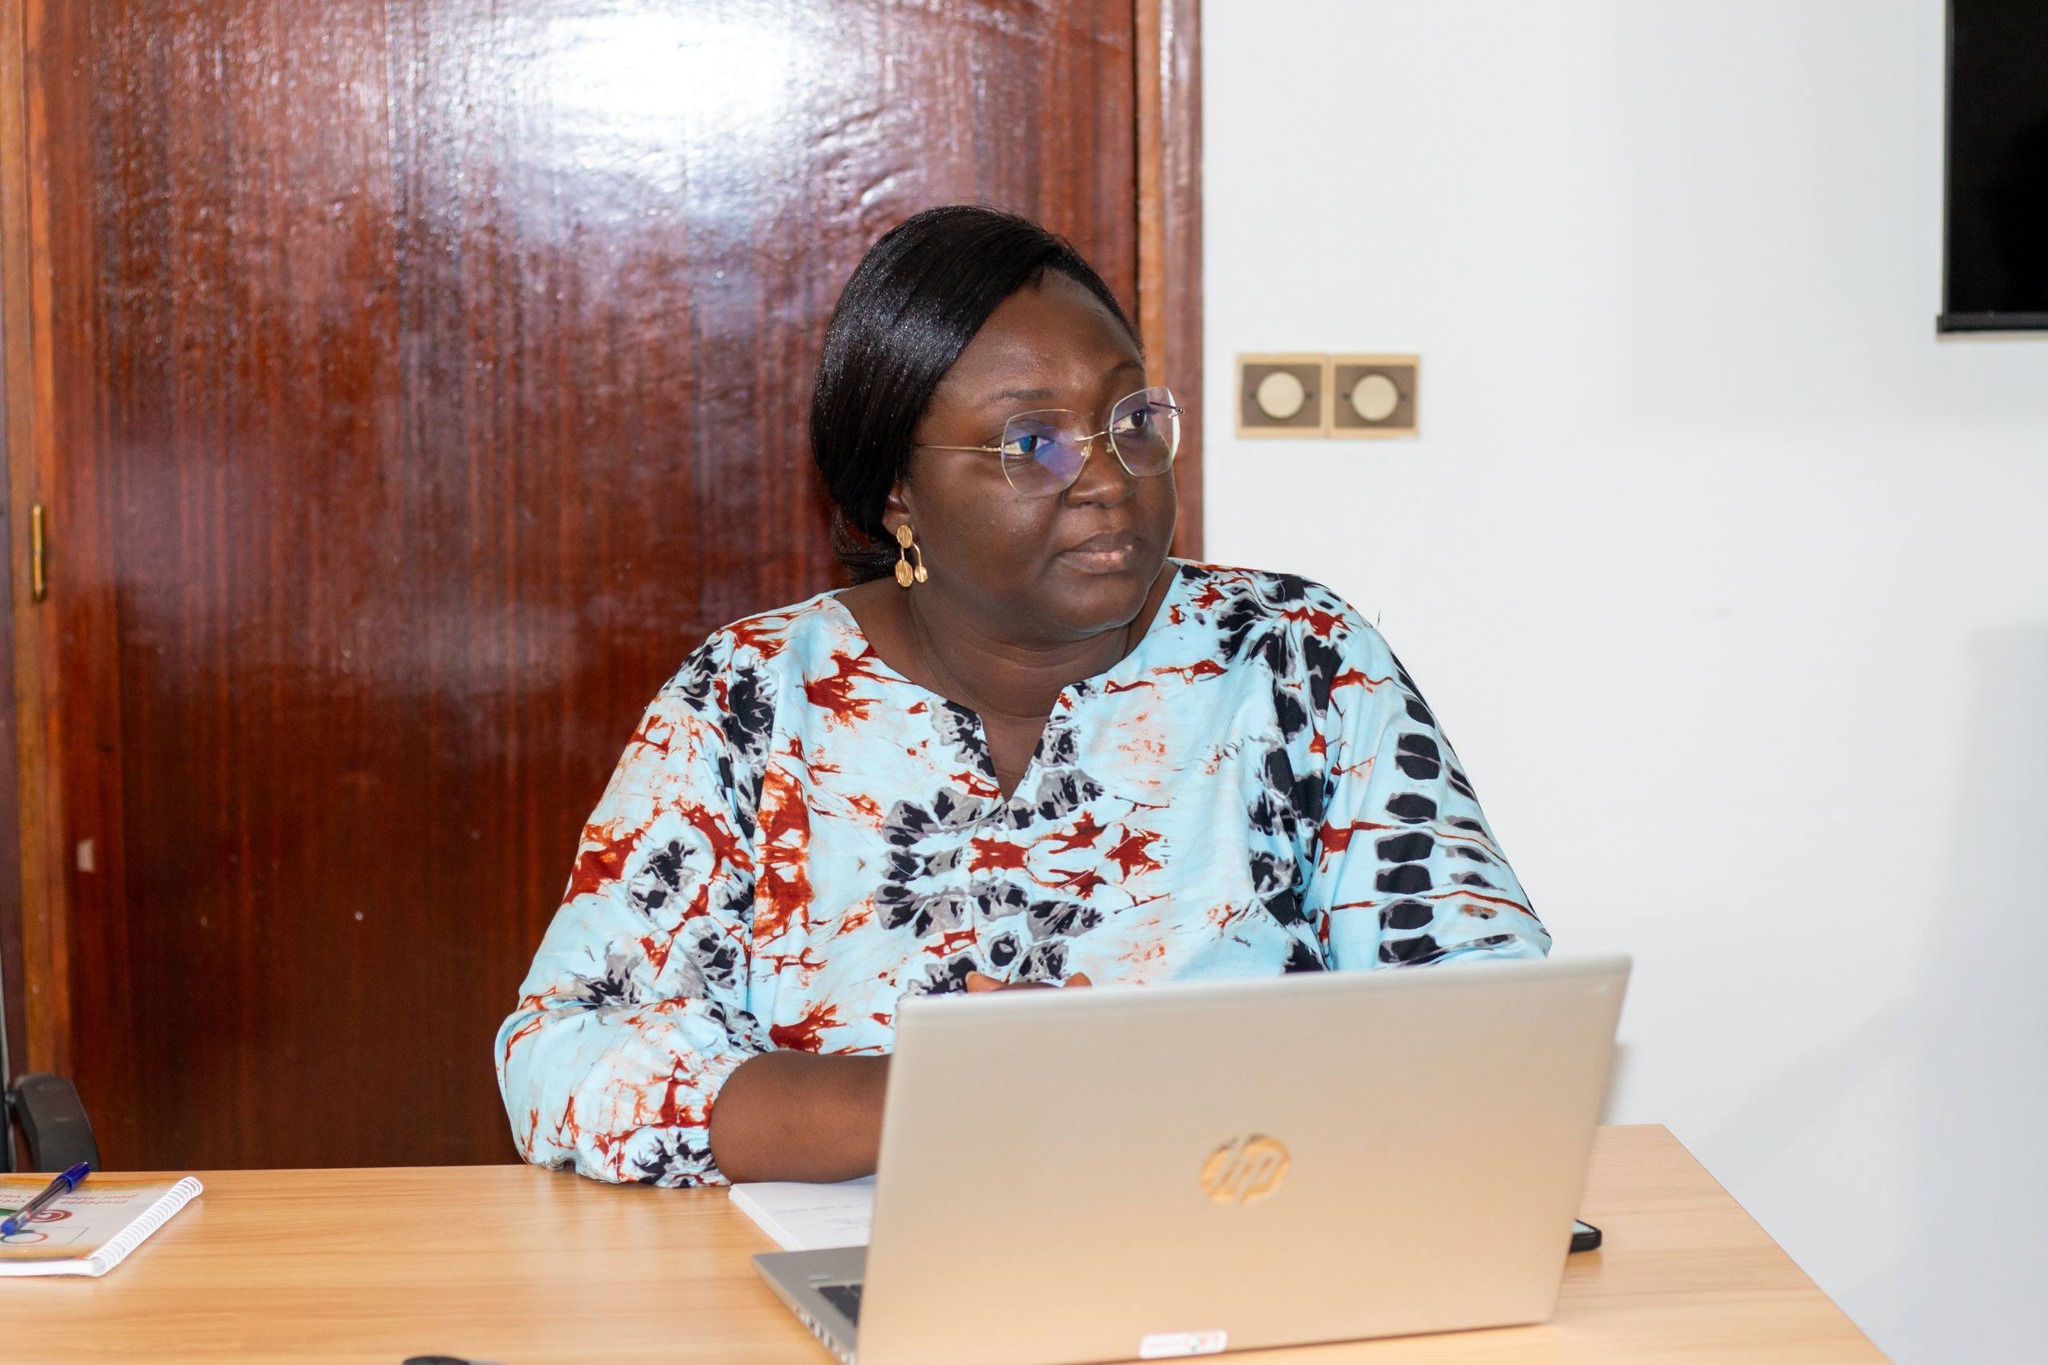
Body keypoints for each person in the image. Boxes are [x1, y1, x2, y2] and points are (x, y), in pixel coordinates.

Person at [495, 206, 1549, 1187]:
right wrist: (930, 1098)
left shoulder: (1296, 660)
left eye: (1130, 420)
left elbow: (1489, 1017)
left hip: (1236, 1243)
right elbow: (560, 1056)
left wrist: (1149, 1087)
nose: (1110, 479)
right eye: (1031, 444)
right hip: (854, 1263)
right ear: (897, 492)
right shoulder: (755, 697)